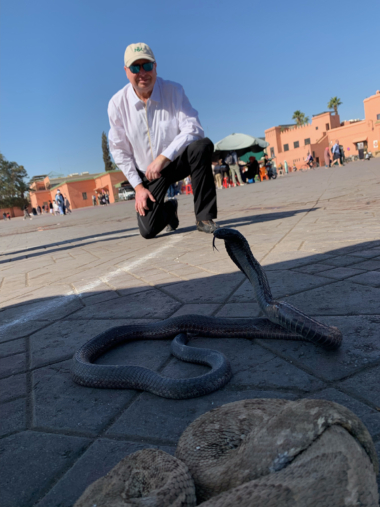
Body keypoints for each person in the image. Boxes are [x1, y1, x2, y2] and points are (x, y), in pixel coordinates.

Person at [108, 42, 217, 237]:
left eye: (147, 65)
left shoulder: (174, 91)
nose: (142, 73)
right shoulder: (117, 104)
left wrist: (163, 157)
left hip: (174, 162)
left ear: (155, 66)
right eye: (135, 67)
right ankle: (169, 211)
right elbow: (119, 150)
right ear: (126, 71)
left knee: (202, 146)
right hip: (147, 174)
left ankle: (204, 216)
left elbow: (194, 128)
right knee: (148, 230)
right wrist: (139, 187)